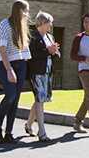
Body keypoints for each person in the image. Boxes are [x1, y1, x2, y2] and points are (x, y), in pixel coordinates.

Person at [0, 0, 31, 144]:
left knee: (15, 100)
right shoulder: (4, 25)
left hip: (21, 63)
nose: (27, 13)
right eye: (26, 10)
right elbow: (2, 49)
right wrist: (9, 70)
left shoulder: (22, 26)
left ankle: (9, 132)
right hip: (6, 64)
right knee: (10, 96)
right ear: (20, 10)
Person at [24, 11, 59, 142]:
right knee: (39, 98)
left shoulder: (50, 37)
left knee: (40, 99)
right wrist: (47, 51)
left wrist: (54, 52)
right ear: (43, 23)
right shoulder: (33, 37)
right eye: (49, 22)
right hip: (36, 72)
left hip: (47, 72)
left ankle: (28, 125)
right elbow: (31, 55)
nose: (51, 25)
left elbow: (54, 53)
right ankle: (42, 131)